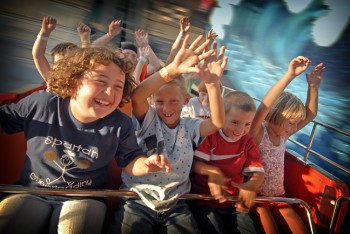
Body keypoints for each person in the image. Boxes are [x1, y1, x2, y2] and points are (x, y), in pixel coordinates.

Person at [0, 46, 171, 234]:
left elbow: (130, 159)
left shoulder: (120, 124)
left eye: (118, 87)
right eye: (100, 81)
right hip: (32, 191)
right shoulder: (42, 105)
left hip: (86, 197)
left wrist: (146, 163)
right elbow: (5, 120)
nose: (109, 93)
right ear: (73, 82)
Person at [108, 35, 228, 233]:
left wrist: (213, 85)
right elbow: (137, 97)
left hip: (176, 205)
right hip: (138, 200)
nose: (166, 108)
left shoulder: (189, 126)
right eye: (160, 101)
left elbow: (216, 123)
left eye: (174, 101)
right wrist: (170, 70)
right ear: (153, 101)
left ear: (187, 100)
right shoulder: (148, 119)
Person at [249, 56, 325, 233]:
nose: (295, 126)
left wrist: (313, 87)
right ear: (276, 115)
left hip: (279, 196)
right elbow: (264, 106)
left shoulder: (284, 134)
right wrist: (289, 76)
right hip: (257, 196)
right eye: (291, 122)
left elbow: (311, 114)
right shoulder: (259, 132)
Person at [189, 90, 265, 234]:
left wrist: (252, 185)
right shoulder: (210, 137)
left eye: (247, 124)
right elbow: (194, 164)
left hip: (234, 202)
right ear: (221, 117)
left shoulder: (248, 142)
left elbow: (257, 172)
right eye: (235, 122)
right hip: (204, 200)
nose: (241, 130)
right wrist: (213, 172)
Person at [32, 16, 90, 84]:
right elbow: (38, 55)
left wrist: (85, 39)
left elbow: (87, 59)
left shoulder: (81, 78)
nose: (65, 67)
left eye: (71, 63)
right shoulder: (53, 79)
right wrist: (44, 32)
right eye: (61, 64)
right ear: (53, 67)